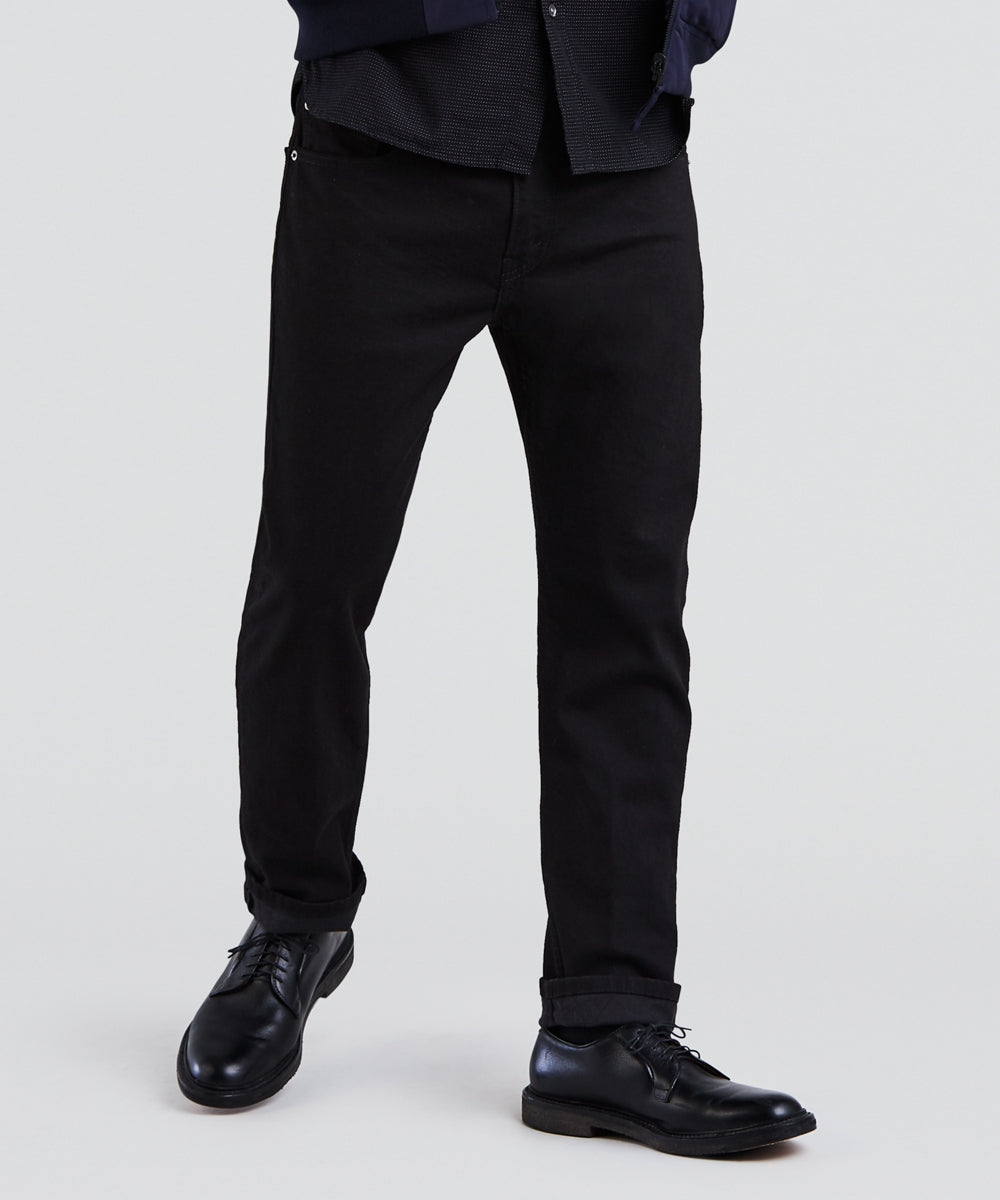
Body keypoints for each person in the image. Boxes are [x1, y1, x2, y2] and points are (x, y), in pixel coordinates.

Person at [176, 0, 817, 1155]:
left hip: (619, 157)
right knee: (317, 574)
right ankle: (294, 921)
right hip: (386, 148)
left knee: (626, 603)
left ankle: (605, 1021)